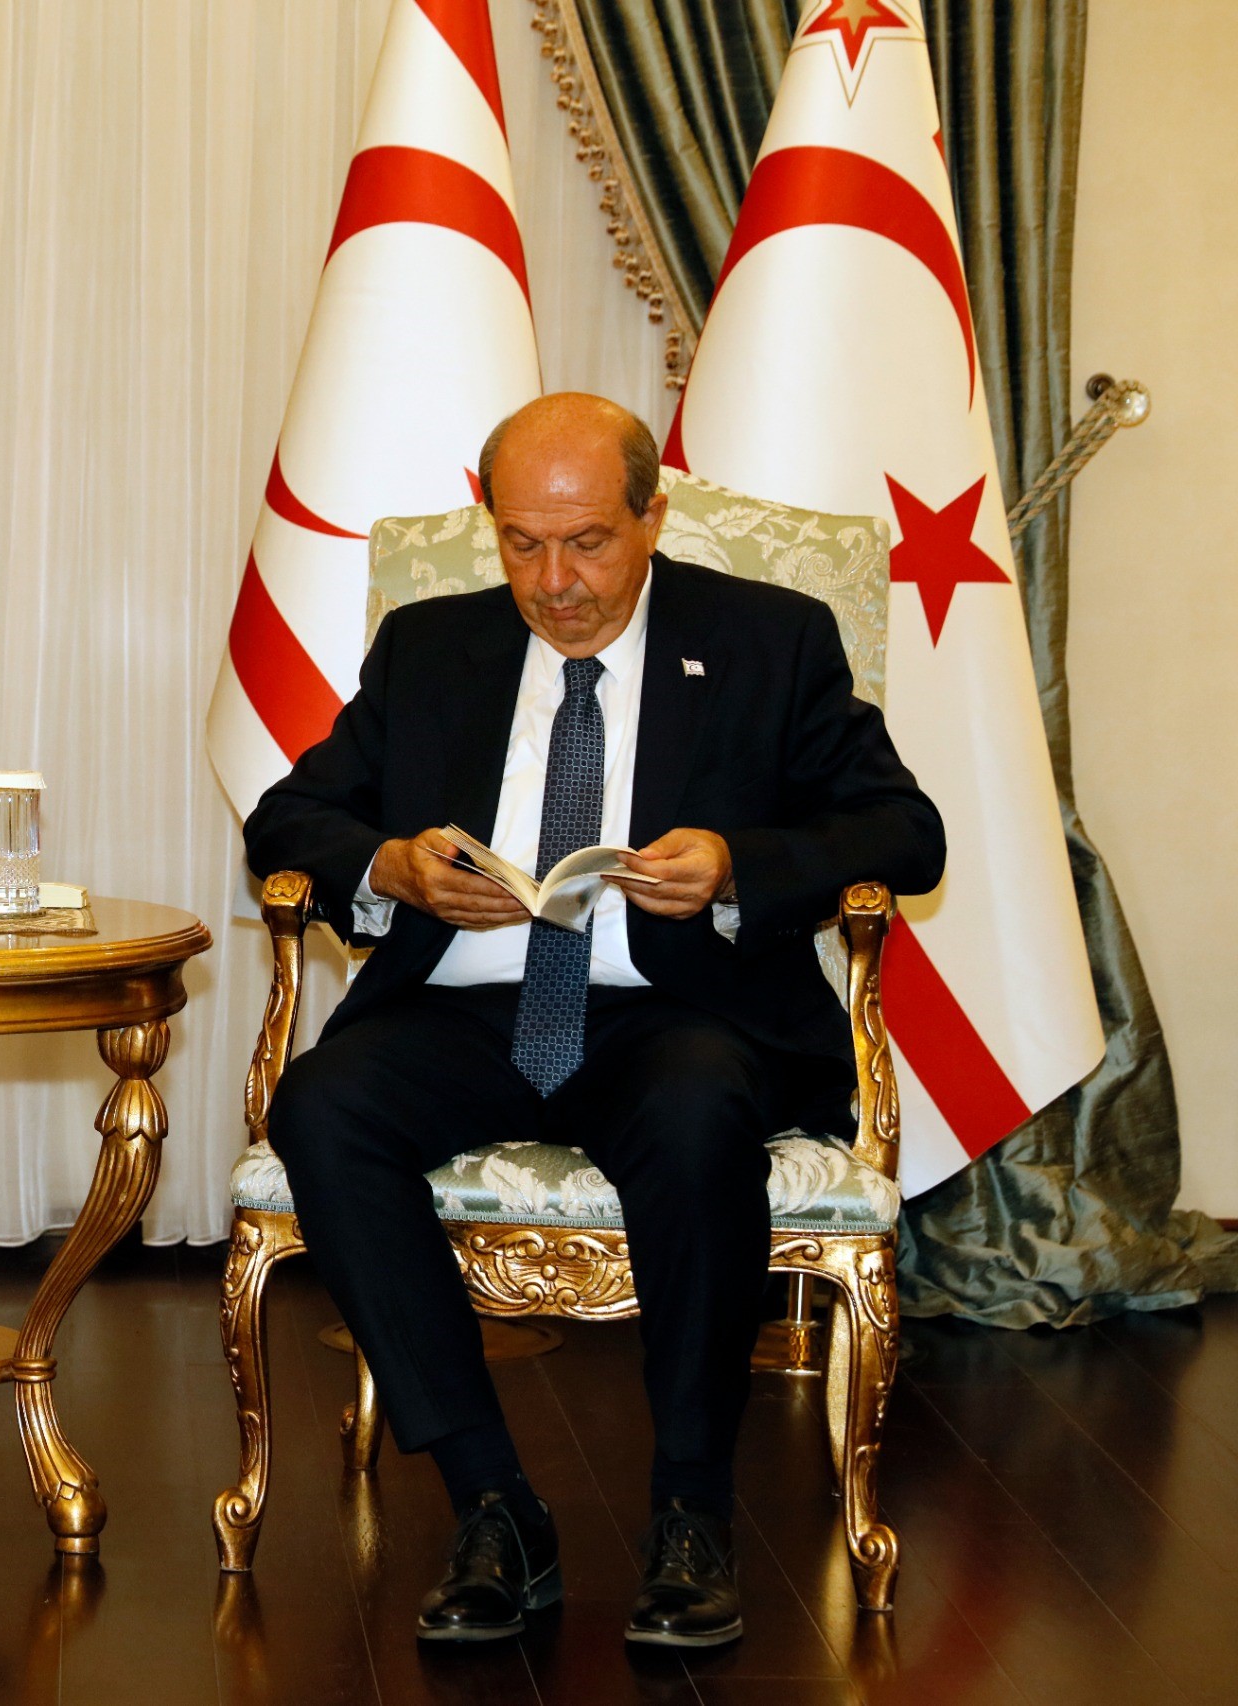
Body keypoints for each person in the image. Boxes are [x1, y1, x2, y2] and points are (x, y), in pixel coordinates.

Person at [243, 393, 944, 1650]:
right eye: (522, 544)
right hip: (468, 1007)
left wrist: (735, 863)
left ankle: (690, 1513)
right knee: (323, 1103)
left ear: (650, 516)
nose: (555, 582)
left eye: (587, 543)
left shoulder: (767, 639)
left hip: (677, 1010)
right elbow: (287, 817)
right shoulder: (430, 646)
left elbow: (904, 829)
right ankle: (491, 1502)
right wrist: (391, 865)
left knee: (694, 1109)